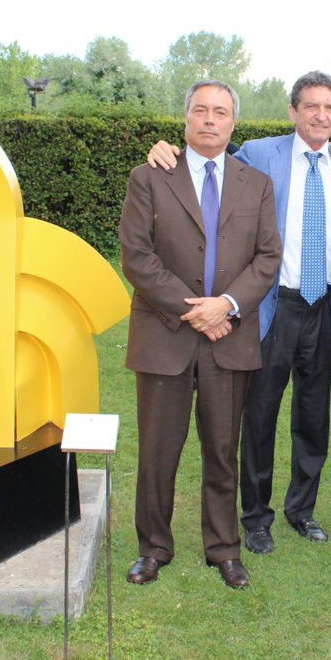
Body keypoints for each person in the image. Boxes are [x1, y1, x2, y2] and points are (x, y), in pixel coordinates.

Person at [147, 72, 331, 555]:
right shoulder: (258, 154)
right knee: (259, 417)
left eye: (330, 107)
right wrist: (162, 150)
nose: (321, 115)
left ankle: (301, 510)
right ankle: (255, 516)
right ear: (293, 111)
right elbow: (205, 162)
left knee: (314, 418)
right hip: (271, 309)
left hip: (324, 307)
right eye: (311, 106)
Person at [119, 80, 281, 589]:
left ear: (234, 122)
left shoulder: (255, 184)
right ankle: (153, 547)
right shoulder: (149, 177)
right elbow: (137, 256)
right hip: (166, 334)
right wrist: (194, 311)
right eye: (201, 110)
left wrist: (226, 306)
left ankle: (223, 548)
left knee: (221, 449)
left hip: (229, 336)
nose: (210, 120)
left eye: (221, 112)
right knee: (157, 451)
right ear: (186, 118)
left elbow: (268, 258)